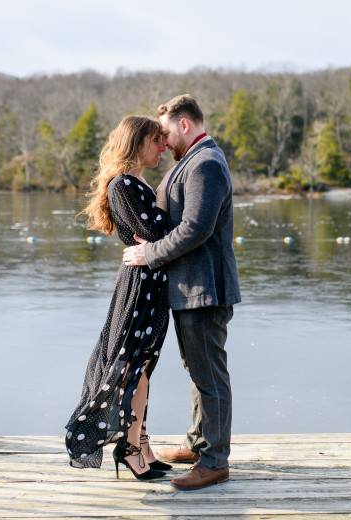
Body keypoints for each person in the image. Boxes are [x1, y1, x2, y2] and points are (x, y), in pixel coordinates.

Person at [122, 94, 241, 490]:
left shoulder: (205, 163)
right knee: (198, 372)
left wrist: (148, 254)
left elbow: (195, 229)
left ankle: (215, 462)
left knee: (210, 377)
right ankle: (198, 444)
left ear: (184, 125)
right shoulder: (192, 162)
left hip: (205, 289)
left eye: (167, 133)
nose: (164, 141)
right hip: (192, 288)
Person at [65, 115, 172, 481]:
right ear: (137, 142)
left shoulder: (138, 181)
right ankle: (128, 450)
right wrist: (167, 208)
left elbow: (157, 237)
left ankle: (140, 443)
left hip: (152, 280)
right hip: (139, 284)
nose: (162, 147)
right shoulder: (122, 185)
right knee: (133, 367)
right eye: (156, 140)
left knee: (144, 367)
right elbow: (153, 230)